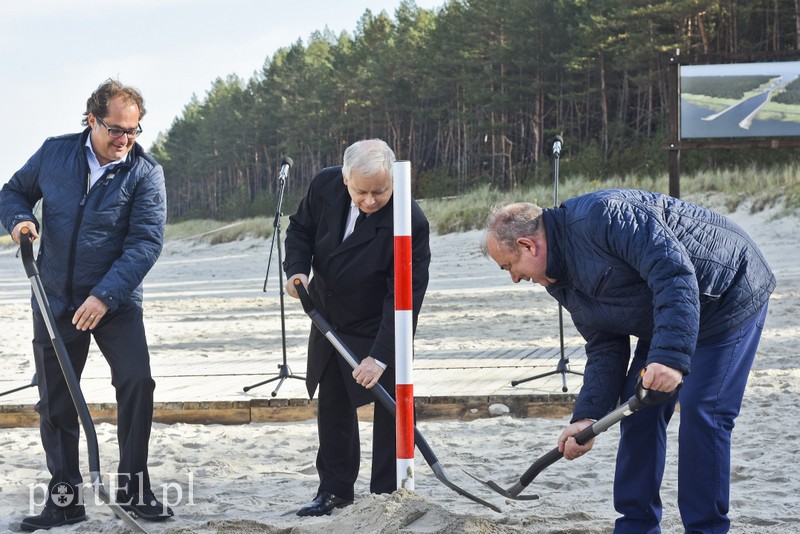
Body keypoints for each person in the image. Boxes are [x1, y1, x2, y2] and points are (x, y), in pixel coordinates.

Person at [484, 189, 774, 534]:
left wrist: (669, 359)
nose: (514, 278)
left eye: (509, 266)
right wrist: (587, 416)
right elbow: (604, 344)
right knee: (637, 411)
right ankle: (636, 526)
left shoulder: (604, 216)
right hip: (665, 311)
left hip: (726, 293)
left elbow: (674, 275)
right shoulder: (557, 279)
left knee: (703, 411)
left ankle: (706, 529)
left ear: (527, 245)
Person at [0, 79, 173, 530]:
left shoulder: (145, 172)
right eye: (116, 129)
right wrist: (20, 220)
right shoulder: (54, 153)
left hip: (115, 302)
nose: (125, 140)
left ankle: (135, 491)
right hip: (53, 298)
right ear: (91, 120)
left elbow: (145, 243)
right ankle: (64, 501)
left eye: (134, 131)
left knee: (137, 383)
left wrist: (104, 296)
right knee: (55, 401)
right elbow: (12, 191)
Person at [283, 139, 431, 516]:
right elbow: (300, 229)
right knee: (333, 403)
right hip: (328, 313)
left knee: (389, 406)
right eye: (361, 191)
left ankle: (386, 494)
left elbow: (403, 298)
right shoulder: (324, 185)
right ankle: (334, 491)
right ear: (345, 178)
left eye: (379, 191)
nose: (369, 200)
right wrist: (296, 268)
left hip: (380, 321)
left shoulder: (409, 219)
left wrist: (379, 357)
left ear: (393, 180)